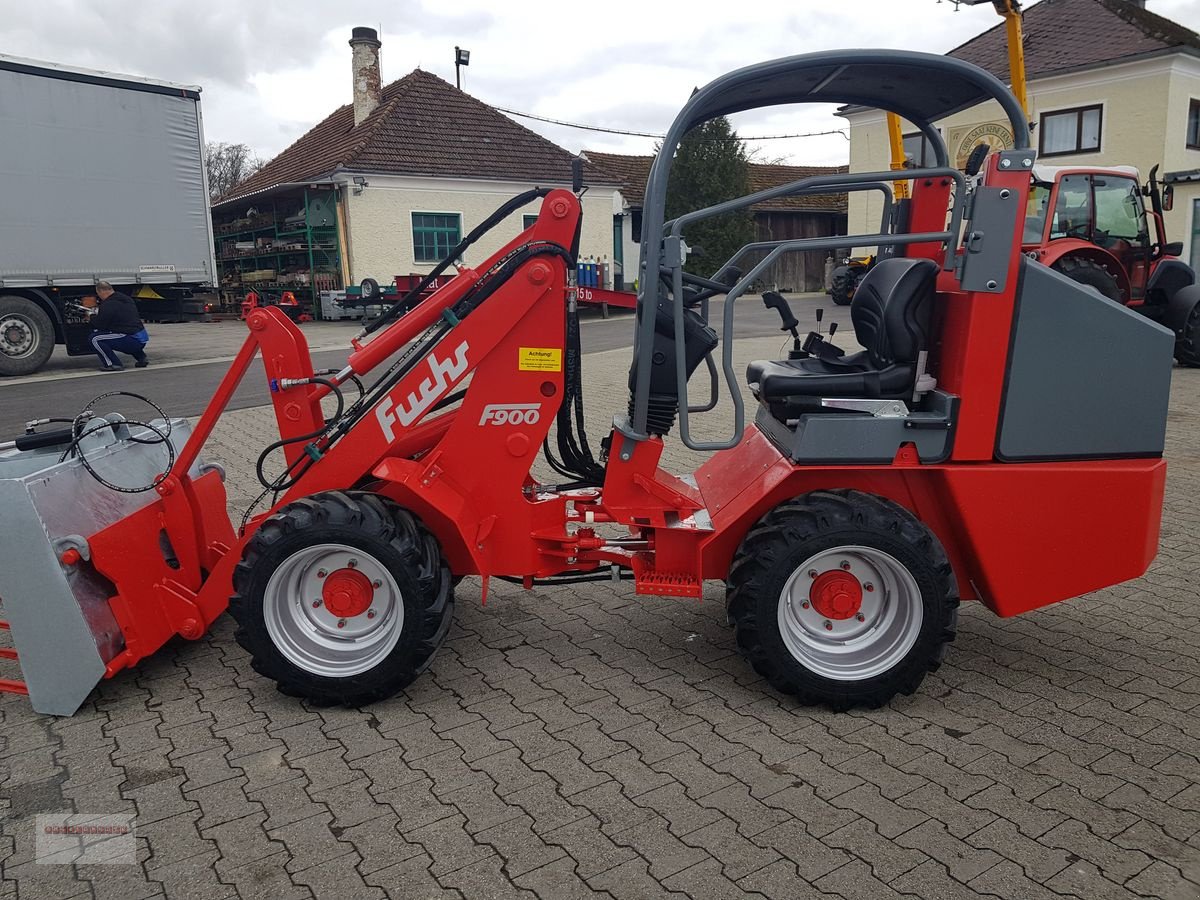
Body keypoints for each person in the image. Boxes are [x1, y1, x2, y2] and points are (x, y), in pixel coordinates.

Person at [89, 281, 149, 371]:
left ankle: (113, 364)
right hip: (141, 338)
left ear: (101, 291)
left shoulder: (108, 304)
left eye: (98, 293)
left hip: (132, 340)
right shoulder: (125, 298)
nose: (99, 296)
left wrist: (91, 317)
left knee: (95, 338)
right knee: (119, 332)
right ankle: (141, 357)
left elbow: (100, 324)